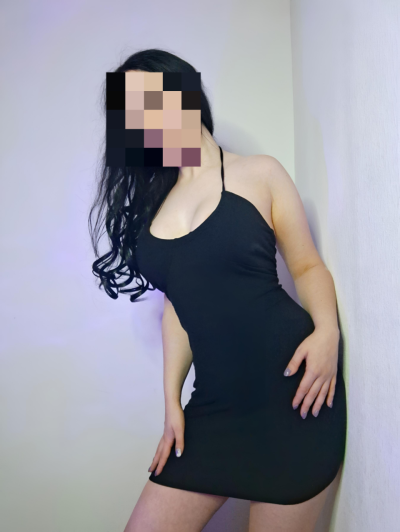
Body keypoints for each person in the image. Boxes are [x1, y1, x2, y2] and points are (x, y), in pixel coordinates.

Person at [89, 48, 347, 532]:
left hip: (292, 396)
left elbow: (308, 265)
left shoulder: (260, 173)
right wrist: (171, 400)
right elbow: (179, 307)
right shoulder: (154, 207)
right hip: (213, 410)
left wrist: (327, 332)